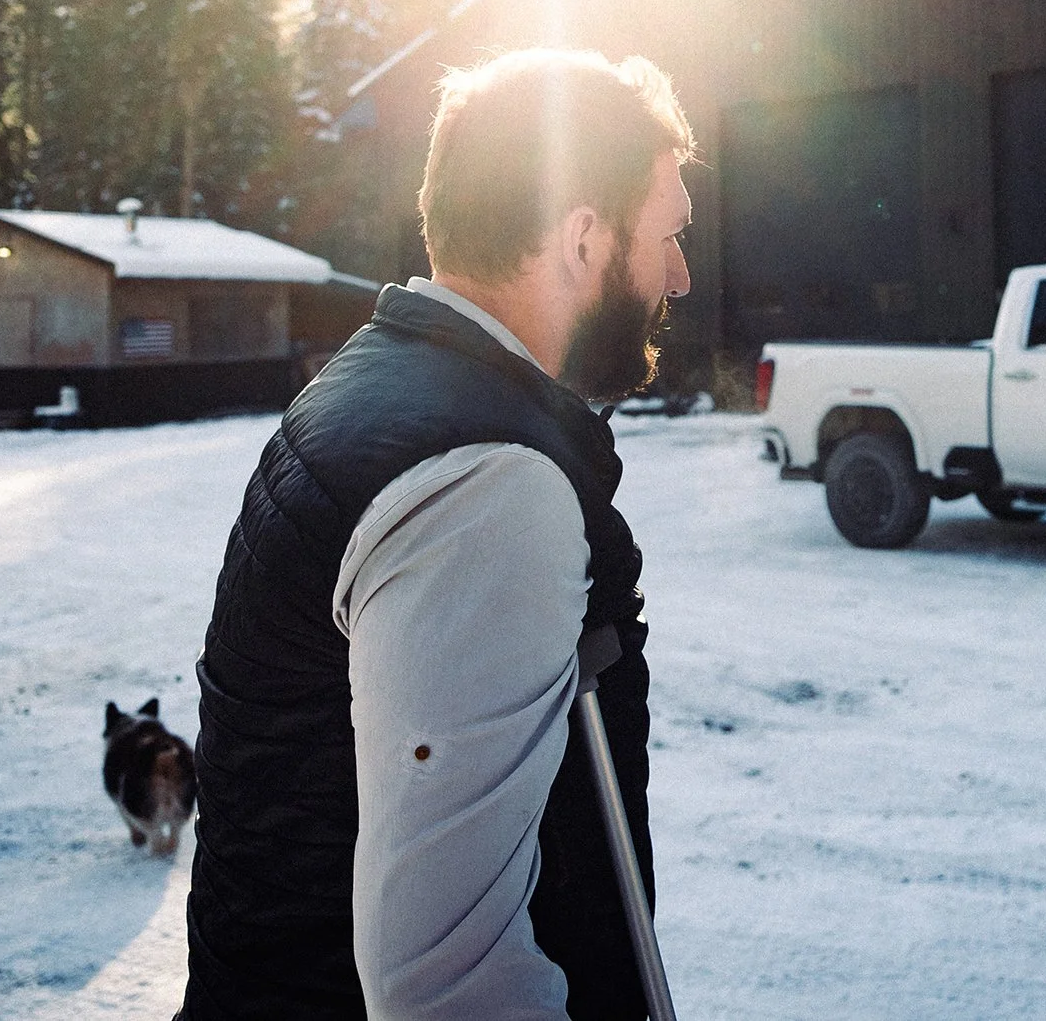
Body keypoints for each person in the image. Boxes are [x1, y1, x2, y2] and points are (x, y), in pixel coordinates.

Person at [182, 49, 694, 1020]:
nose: (678, 270)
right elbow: (450, 982)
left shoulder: (370, 387)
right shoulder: (484, 479)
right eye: (665, 232)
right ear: (584, 237)